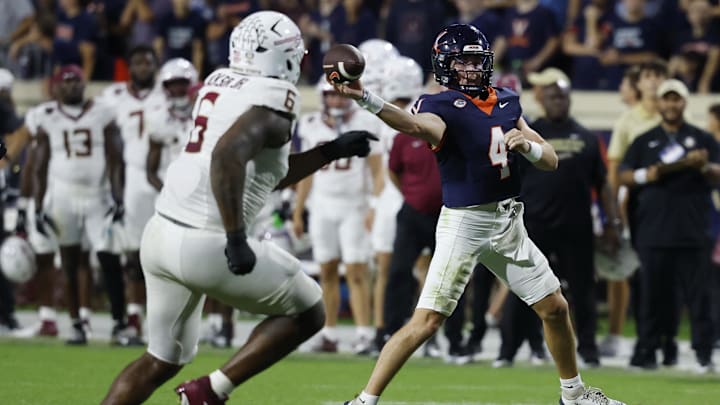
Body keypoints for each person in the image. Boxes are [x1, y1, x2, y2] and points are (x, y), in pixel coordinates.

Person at [335, 24, 625, 405]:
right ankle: (364, 401)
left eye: (476, 59)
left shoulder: (507, 101)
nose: (471, 68)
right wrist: (367, 99)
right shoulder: (437, 105)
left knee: (555, 307)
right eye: (462, 61)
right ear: (444, 66)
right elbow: (414, 125)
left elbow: (551, 159)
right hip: (465, 222)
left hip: (509, 222)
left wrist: (529, 148)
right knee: (427, 321)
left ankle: (574, 396)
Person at [101, 11, 377, 405]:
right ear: (282, 56)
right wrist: (234, 237)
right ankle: (209, 391)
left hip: (160, 234)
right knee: (310, 311)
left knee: (160, 359)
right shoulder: (276, 98)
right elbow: (227, 158)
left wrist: (329, 151)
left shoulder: (219, 83)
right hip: (206, 240)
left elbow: (264, 173)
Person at [518, 67, 620, 368]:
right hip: (534, 224)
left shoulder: (587, 137)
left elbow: (603, 184)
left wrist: (612, 223)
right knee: (524, 290)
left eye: (563, 97)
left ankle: (588, 349)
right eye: (553, 97)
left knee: (583, 290)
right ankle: (518, 347)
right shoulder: (529, 133)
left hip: (576, 225)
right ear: (542, 100)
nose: (559, 102)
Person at [619, 79, 720, 372]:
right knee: (651, 297)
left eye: (677, 100)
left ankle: (704, 354)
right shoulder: (644, 139)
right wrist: (644, 176)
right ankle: (648, 351)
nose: (671, 105)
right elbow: (624, 175)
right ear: (659, 103)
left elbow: (718, 174)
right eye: (667, 99)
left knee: (699, 298)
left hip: (693, 232)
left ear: (685, 103)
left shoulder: (702, 139)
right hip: (653, 232)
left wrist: (704, 166)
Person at [32, 65, 125, 345]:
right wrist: (37, 206)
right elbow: (39, 166)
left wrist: (118, 198)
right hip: (62, 197)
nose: (71, 86)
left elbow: (115, 159)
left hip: (97, 197)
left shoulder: (103, 112)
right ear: (56, 87)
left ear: (84, 85)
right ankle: (76, 324)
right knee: (70, 262)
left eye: (76, 82)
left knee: (110, 259)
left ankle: (120, 324)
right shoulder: (47, 116)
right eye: (66, 82)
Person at [292, 78, 383, 354]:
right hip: (322, 205)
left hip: (355, 205)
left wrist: (373, 206)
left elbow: (378, 171)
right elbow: (306, 173)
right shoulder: (309, 124)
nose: (336, 101)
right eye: (331, 95)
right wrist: (298, 210)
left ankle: (364, 334)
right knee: (327, 270)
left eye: (341, 95)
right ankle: (328, 333)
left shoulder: (367, 122)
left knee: (357, 271)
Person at [601, 59, 667, 358]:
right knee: (633, 270)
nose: (653, 82)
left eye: (659, 76)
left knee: (668, 272)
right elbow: (615, 168)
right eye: (648, 76)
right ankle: (635, 336)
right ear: (640, 83)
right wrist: (615, 211)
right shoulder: (629, 119)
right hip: (637, 202)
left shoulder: (676, 114)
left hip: (671, 205)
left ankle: (662, 339)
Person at [99, 44, 166, 339]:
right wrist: (115, 188)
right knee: (135, 253)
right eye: (137, 63)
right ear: (130, 67)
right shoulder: (113, 98)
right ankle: (135, 314)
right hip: (135, 177)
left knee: (167, 253)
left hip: (168, 174)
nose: (143, 68)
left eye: (147, 62)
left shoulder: (169, 93)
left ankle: (165, 317)